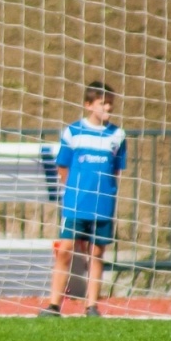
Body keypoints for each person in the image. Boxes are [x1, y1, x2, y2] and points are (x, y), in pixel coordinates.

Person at [41, 81, 127, 318]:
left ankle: (91, 306)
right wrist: (74, 191)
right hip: (76, 203)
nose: (107, 108)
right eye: (102, 104)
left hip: (103, 205)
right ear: (89, 105)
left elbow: (116, 170)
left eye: (110, 104)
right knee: (65, 251)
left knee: (96, 254)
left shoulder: (118, 135)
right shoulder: (73, 132)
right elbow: (63, 167)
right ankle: (54, 304)